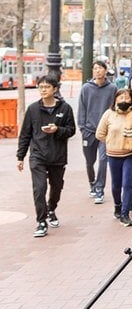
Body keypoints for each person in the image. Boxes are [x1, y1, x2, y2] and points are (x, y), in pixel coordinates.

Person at [16, 73, 76, 237]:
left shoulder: (65, 108)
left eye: (47, 87)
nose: (43, 90)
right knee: (39, 188)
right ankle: (41, 222)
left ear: (55, 89)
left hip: (57, 156)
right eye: (41, 87)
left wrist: (58, 130)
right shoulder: (33, 109)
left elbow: (71, 130)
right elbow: (25, 134)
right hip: (38, 156)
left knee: (56, 188)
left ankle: (51, 209)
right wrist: (20, 157)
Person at [96, 88, 132, 227]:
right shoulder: (109, 114)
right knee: (116, 184)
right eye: (120, 98)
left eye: (127, 98)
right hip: (114, 154)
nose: (124, 100)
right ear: (115, 100)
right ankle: (117, 206)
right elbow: (100, 134)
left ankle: (125, 214)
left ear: (131, 100)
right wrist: (112, 141)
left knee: (127, 183)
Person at [78, 59, 117, 204]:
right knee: (90, 161)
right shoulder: (86, 88)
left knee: (102, 160)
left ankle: (100, 188)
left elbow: (115, 108)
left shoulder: (112, 88)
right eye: (95, 68)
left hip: (106, 132)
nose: (98, 71)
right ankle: (92, 183)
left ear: (105, 71)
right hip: (88, 130)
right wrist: (82, 128)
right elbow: (82, 109)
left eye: (100, 68)